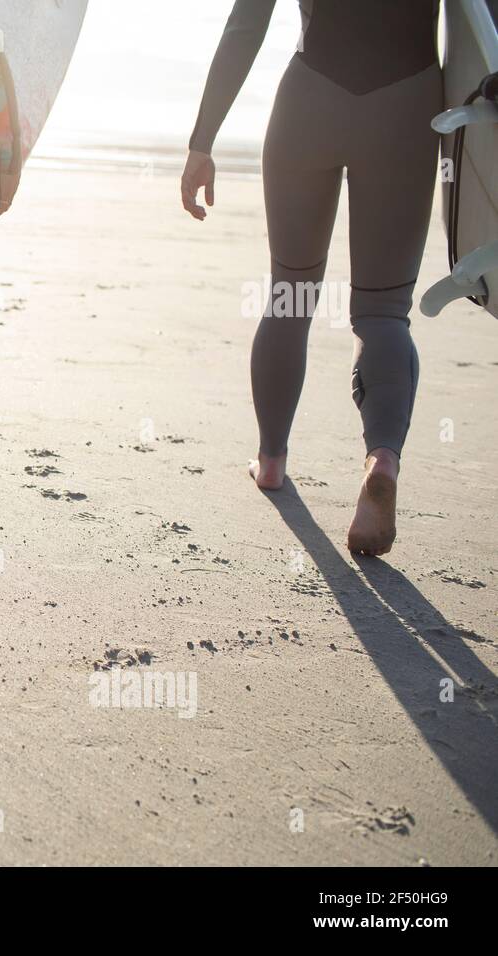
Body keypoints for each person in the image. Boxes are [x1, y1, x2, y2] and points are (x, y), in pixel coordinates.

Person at [181, 0, 442, 556]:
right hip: (408, 104)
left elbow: (246, 22)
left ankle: (271, 462)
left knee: (292, 293)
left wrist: (202, 142)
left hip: (309, 103)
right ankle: (382, 459)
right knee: (382, 310)